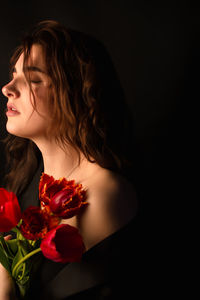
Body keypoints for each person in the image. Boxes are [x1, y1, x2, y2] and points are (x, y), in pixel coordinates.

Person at [0, 20, 140, 299]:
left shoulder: (104, 194)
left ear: (74, 93)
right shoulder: (28, 180)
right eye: (14, 74)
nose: (7, 88)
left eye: (34, 79)